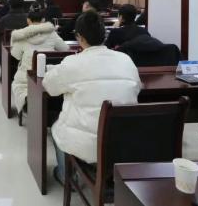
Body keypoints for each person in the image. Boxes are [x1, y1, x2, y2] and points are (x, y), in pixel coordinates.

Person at [42, 11, 141, 186]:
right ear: (104, 35)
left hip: (91, 144)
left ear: (79, 37)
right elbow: (137, 87)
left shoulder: (73, 62)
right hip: (125, 141)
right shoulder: (126, 60)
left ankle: (68, 177)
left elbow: (50, 87)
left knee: (58, 127)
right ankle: (107, 173)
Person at [11, 10, 69, 112]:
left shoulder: (21, 35)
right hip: (49, 75)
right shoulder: (52, 33)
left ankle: (27, 102)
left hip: (27, 78)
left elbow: (16, 55)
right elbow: (65, 49)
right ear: (43, 20)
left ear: (28, 20)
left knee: (17, 82)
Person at [0, 0, 28, 64]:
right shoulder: (29, 18)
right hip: (26, 49)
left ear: (10, 6)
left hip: (7, 50)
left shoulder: (5, 19)